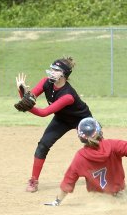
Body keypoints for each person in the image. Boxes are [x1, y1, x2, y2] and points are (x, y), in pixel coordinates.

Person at [15, 56, 93, 192]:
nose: (52, 72)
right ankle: (34, 180)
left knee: (96, 146)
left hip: (81, 119)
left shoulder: (68, 95)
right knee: (43, 145)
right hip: (61, 119)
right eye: (51, 68)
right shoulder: (45, 82)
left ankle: (104, 173)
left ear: (64, 74)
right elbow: (29, 100)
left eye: (56, 70)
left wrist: (26, 106)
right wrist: (22, 92)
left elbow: (43, 113)